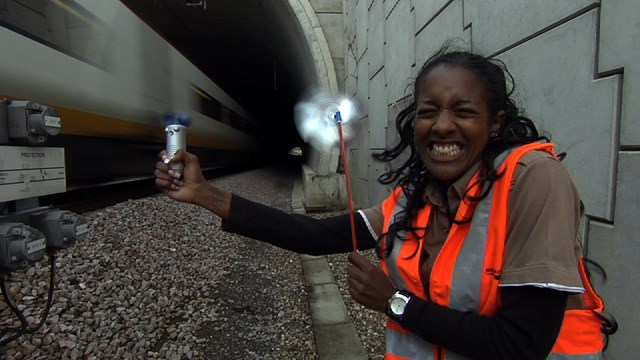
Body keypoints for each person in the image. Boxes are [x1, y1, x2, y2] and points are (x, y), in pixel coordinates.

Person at [155, 48, 611, 359]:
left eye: (464, 111)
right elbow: (318, 236)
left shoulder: (534, 181)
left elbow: (522, 345)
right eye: (429, 111)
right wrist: (205, 194)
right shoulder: (420, 196)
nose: (443, 125)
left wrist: (394, 302)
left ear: (496, 123)